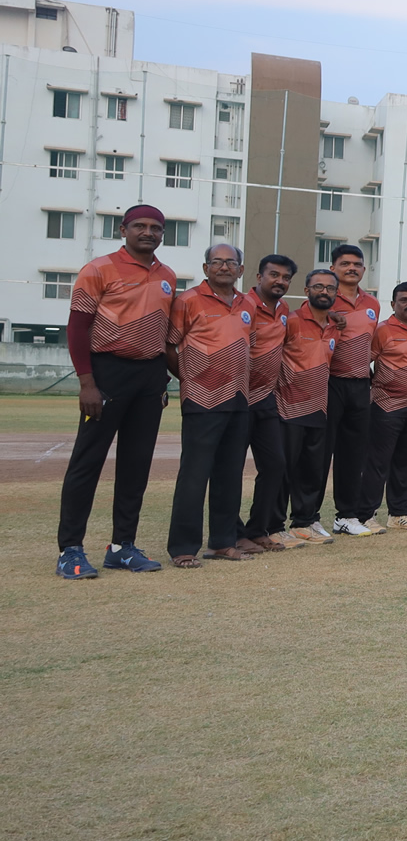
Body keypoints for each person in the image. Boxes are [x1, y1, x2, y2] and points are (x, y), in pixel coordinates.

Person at [55, 205, 175, 578]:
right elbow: (77, 328)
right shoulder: (98, 269)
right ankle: (70, 549)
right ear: (123, 230)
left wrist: (161, 380)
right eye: (140, 225)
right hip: (107, 372)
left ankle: (122, 546)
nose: (148, 232)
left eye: (156, 227)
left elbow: (164, 334)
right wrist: (87, 382)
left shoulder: (167, 276)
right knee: (87, 462)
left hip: (149, 376)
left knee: (136, 464)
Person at [164, 244, 252, 567]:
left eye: (230, 262)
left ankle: (222, 542)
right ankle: (183, 547)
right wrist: (190, 377)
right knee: (195, 474)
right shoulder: (188, 301)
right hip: (202, 400)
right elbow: (169, 346)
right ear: (205, 269)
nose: (224, 267)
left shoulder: (247, 304)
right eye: (217, 262)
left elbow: (250, 346)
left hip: (238, 399)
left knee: (230, 474)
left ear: (241, 270)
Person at [359, 282, 407, 532]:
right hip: (386, 407)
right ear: (393, 304)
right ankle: (365, 515)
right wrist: (378, 387)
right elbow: (364, 363)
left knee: (405, 462)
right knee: (377, 463)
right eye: (403, 300)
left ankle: (399, 513)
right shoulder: (382, 331)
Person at [279, 269, 346, 547]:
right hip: (288, 407)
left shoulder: (334, 326)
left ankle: (304, 522)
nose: (324, 292)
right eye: (318, 286)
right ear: (306, 291)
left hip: (319, 407)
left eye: (330, 288)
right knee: (284, 469)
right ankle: (274, 525)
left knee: (312, 470)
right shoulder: (291, 321)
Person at [236, 254, 297, 555]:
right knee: (231, 468)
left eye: (285, 278)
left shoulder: (283, 309)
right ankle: (232, 533)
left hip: (265, 399)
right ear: (259, 277)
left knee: (275, 465)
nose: (280, 281)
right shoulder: (242, 306)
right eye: (274, 275)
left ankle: (257, 530)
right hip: (237, 399)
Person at [324, 244, 382, 537]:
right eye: (345, 263)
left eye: (357, 264)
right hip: (328, 382)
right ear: (333, 268)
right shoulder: (325, 300)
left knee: (353, 454)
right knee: (321, 453)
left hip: (360, 384)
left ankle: (346, 516)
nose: (352, 268)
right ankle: (305, 518)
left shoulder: (372, 304)